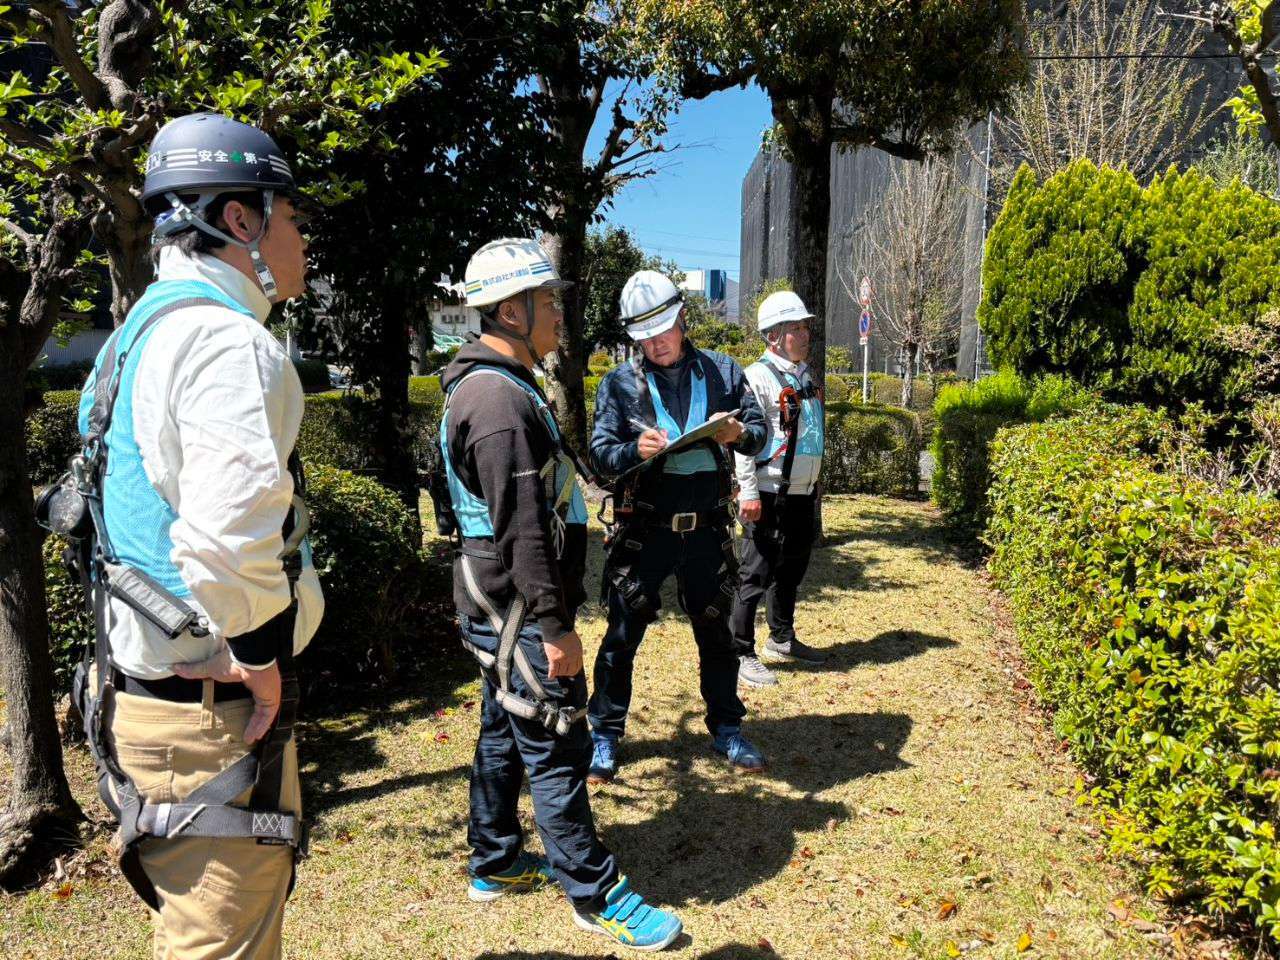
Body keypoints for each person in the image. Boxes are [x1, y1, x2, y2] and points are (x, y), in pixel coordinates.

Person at [71, 113, 324, 959]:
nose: (301, 241)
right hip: (210, 716)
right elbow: (228, 532)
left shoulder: (136, 333)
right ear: (239, 219)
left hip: (141, 696)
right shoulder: (223, 340)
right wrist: (260, 656)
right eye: (290, 218)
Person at [435, 238, 683, 951]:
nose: (558, 313)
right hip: (516, 608)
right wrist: (555, 627)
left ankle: (494, 859)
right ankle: (595, 892)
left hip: (496, 602)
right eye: (547, 301)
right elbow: (521, 530)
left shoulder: (498, 383)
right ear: (511, 312)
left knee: (503, 724)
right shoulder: (495, 400)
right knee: (556, 739)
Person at [587, 270, 768, 783]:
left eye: (663, 332)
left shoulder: (722, 371)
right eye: (644, 338)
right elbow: (600, 454)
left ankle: (727, 728)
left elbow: (760, 434)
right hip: (645, 529)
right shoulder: (619, 383)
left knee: (717, 633)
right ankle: (604, 734)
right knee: (623, 634)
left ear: (683, 319)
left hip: (708, 529)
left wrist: (738, 433)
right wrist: (631, 450)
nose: (656, 344)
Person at [730, 291, 829, 688]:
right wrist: (749, 492)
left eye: (806, 328)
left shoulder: (804, 374)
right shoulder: (757, 377)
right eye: (796, 329)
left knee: (792, 568)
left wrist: (815, 481)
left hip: (802, 492)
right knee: (754, 572)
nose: (805, 335)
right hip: (769, 492)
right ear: (773, 336)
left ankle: (782, 638)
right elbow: (742, 441)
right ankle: (739, 652)